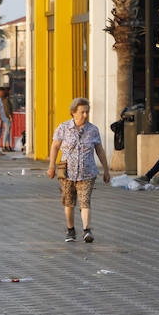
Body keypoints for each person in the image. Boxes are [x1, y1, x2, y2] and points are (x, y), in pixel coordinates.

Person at [47, 97, 111, 243]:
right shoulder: (63, 127)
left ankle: (87, 230)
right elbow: (55, 147)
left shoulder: (93, 130)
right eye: (82, 112)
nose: (85, 115)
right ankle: (70, 230)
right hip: (67, 172)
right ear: (73, 113)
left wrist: (106, 170)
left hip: (87, 173)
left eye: (87, 112)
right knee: (69, 202)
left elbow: (99, 150)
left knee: (85, 201)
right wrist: (51, 166)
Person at [0, 87, 14, 151]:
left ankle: (8, 145)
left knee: (8, 131)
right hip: (7, 117)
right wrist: (10, 117)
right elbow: (7, 109)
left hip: (5, 116)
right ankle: (4, 145)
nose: (10, 92)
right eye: (10, 91)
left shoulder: (4, 99)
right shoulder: (6, 100)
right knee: (7, 131)